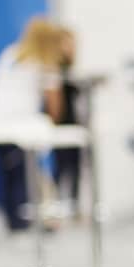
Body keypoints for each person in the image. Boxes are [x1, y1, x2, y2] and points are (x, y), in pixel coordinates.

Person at [0, 18, 64, 231]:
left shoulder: (9, 54)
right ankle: (22, 224)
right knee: (22, 177)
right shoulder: (46, 63)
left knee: (11, 177)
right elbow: (55, 107)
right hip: (19, 129)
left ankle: (15, 221)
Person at [53, 28, 81, 213]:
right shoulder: (54, 68)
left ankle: (73, 206)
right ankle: (57, 204)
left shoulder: (70, 68)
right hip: (60, 122)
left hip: (73, 120)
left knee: (75, 166)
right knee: (61, 166)